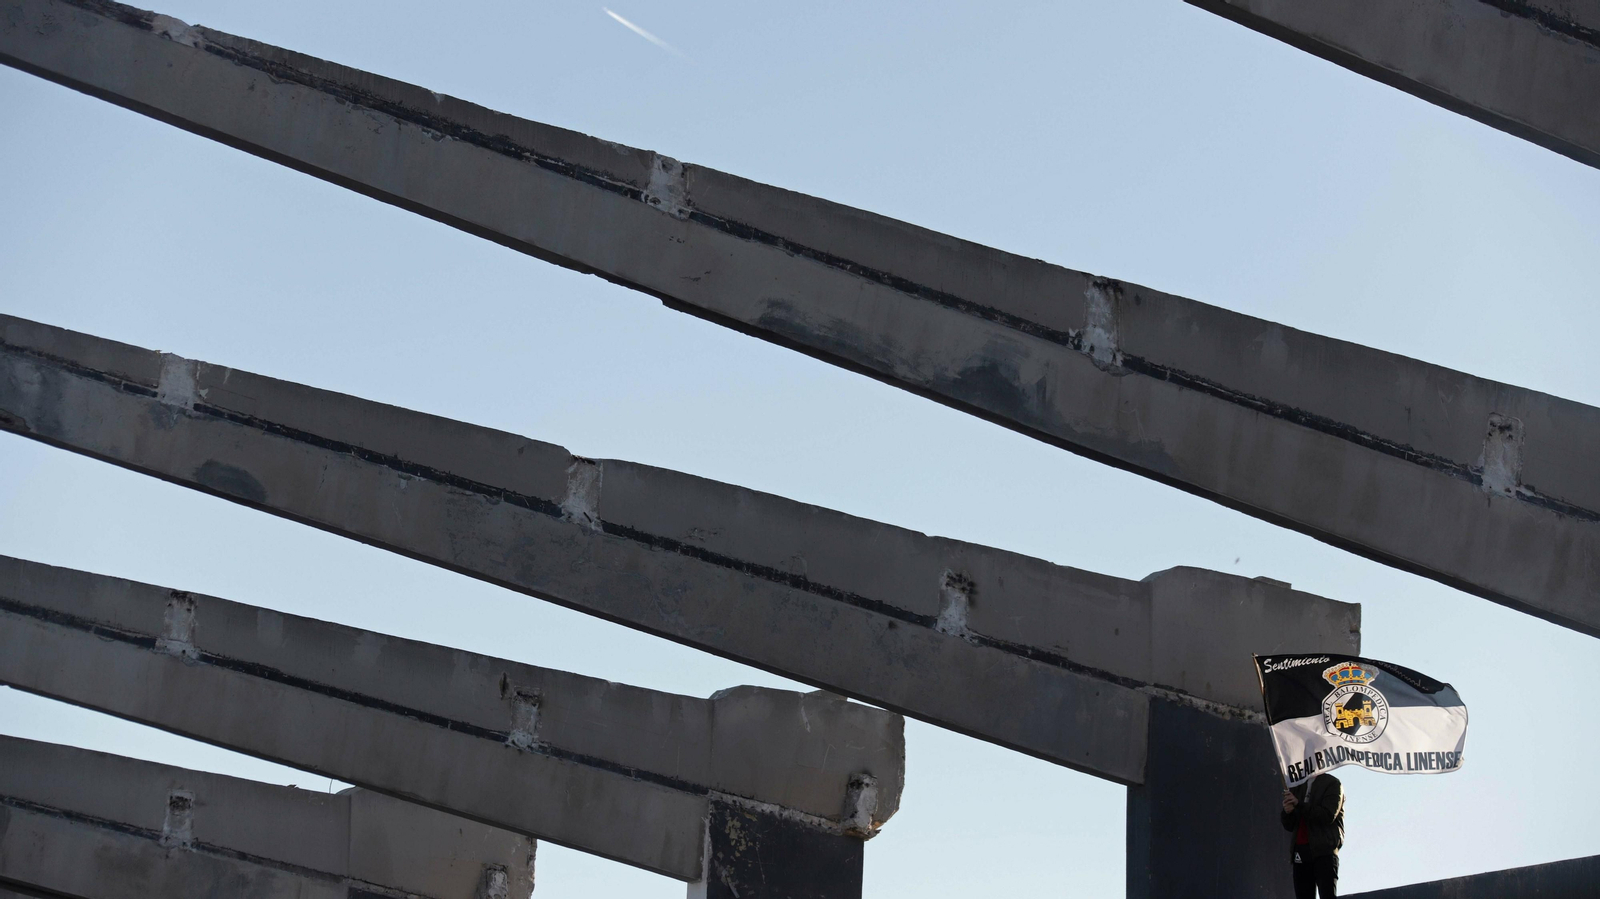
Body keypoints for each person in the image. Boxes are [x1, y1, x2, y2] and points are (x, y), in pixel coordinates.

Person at [1281, 772, 1344, 898]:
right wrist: (1288, 812)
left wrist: (1299, 805)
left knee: (1327, 895)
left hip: (1324, 851)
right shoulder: (1297, 785)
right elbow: (1289, 825)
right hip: (1300, 852)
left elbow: (1327, 815)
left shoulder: (1332, 783)